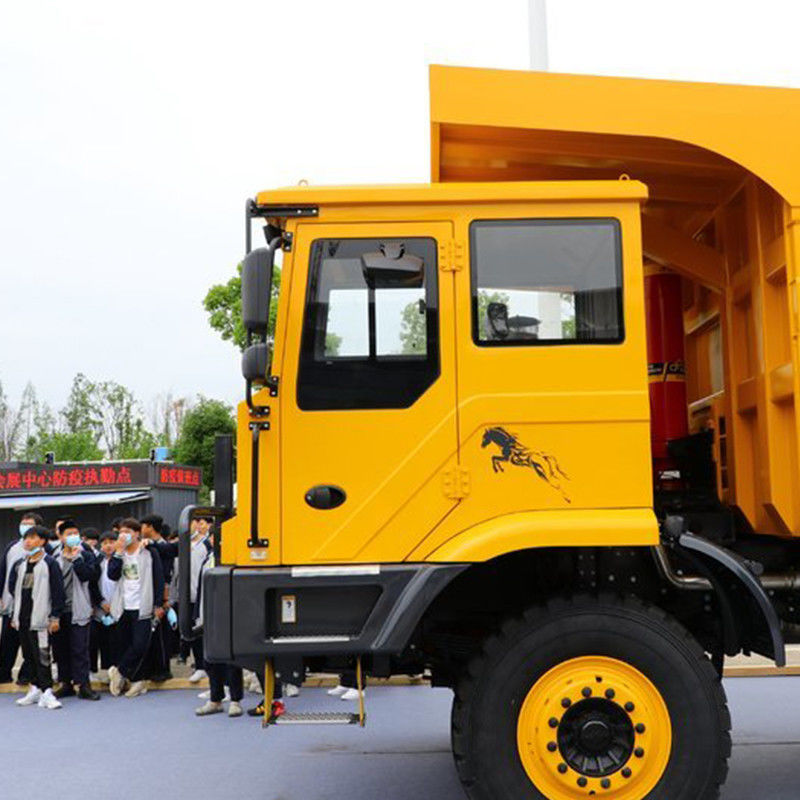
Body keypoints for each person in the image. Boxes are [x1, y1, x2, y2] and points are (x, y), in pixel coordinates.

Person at [9, 524, 66, 709]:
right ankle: (35, 689)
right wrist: (15, 615)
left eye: (33, 538)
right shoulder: (20, 564)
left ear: (42, 541)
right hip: (23, 618)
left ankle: (47, 691)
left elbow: (58, 592)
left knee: (42, 656)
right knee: (28, 655)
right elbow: (14, 589)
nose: (28, 541)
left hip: (41, 619)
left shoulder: (50, 563)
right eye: (26, 538)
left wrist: (55, 616)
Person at [106, 518, 164, 698]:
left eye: (128, 532)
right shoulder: (119, 553)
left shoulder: (148, 551)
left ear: (137, 533)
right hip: (123, 605)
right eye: (121, 532)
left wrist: (158, 603)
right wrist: (118, 553)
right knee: (125, 644)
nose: (124, 535)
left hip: (143, 604)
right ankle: (137, 680)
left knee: (140, 645)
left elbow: (158, 578)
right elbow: (112, 575)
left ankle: (119, 672)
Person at [52, 519, 102, 701]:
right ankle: (66, 683)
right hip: (59, 610)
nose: (73, 537)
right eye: (68, 534)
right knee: (61, 649)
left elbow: (89, 576)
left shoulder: (86, 555)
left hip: (79, 608)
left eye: (75, 533)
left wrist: (77, 559)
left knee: (80, 648)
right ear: (61, 537)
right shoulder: (53, 557)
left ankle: (84, 685)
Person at [195, 531, 243, 717]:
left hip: (229, 616)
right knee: (210, 660)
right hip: (208, 615)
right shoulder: (208, 559)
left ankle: (235, 700)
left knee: (232, 661)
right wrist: (197, 615)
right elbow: (200, 589)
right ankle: (215, 699)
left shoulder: (235, 559)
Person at [0, 511, 43, 684]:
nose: (25, 528)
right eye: (23, 524)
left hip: (31, 606)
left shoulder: (43, 552)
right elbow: (3, 572)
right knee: (7, 642)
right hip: (10, 605)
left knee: (29, 644)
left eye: (29, 525)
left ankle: (26, 675)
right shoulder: (12, 547)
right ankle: (3, 674)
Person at [140, 514, 176, 682]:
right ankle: (152, 668)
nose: (141, 530)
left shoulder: (164, 547)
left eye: (143, 526)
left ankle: (163, 670)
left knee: (161, 634)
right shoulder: (146, 545)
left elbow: (166, 575)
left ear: (150, 527)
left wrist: (164, 599)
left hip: (161, 595)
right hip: (149, 593)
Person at [92, 531, 120, 681]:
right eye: (105, 543)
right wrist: (101, 602)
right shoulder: (98, 561)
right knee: (105, 641)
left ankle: (120, 672)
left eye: (111, 542)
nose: (108, 546)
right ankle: (109, 672)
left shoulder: (121, 560)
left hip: (120, 606)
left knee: (118, 640)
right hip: (103, 607)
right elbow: (93, 585)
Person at [187, 516, 212, 683]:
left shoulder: (206, 545)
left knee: (207, 634)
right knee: (194, 632)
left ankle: (209, 668)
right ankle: (200, 666)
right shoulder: (184, 544)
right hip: (189, 596)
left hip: (203, 595)